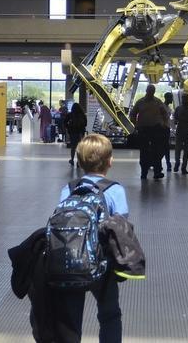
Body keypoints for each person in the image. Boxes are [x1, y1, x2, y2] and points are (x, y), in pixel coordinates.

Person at [52, 133, 128, 342]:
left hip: (70, 260)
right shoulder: (115, 190)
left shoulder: (69, 188)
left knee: (70, 318)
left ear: (79, 161)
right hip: (102, 263)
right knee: (110, 314)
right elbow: (121, 228)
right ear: (110, 161)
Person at [130, 84, 168, 180]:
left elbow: (165, 113)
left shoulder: (157, 102)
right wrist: (136, 125)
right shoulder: (140, 102)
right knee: (144, 152)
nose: (151, 92)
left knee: (157, 151)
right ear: (147, 91)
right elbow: (133, 114)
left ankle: (157, 172)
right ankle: (144, 172)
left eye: (152, 91)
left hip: (155, 129)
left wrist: (164, 123)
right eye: (149, 90)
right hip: (143, 130)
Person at [173, 95, 188, 174]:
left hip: (183, 131)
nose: (184, 100)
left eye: (185, 99)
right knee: (182, 150)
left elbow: (175, 119)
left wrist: (181, 120)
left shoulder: (178, 109)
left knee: (181, 150)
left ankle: (182, 166)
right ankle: (180, 165)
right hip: (186, 131)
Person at [162, 92, 174, 172]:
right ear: (167, 98)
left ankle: (167, 164)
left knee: (165, 147)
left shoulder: (168, 108)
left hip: (166, 129)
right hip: (163, 129)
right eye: (171, 97)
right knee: (165, 147)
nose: (172, 99)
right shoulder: (162, 107)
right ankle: (168, 164)